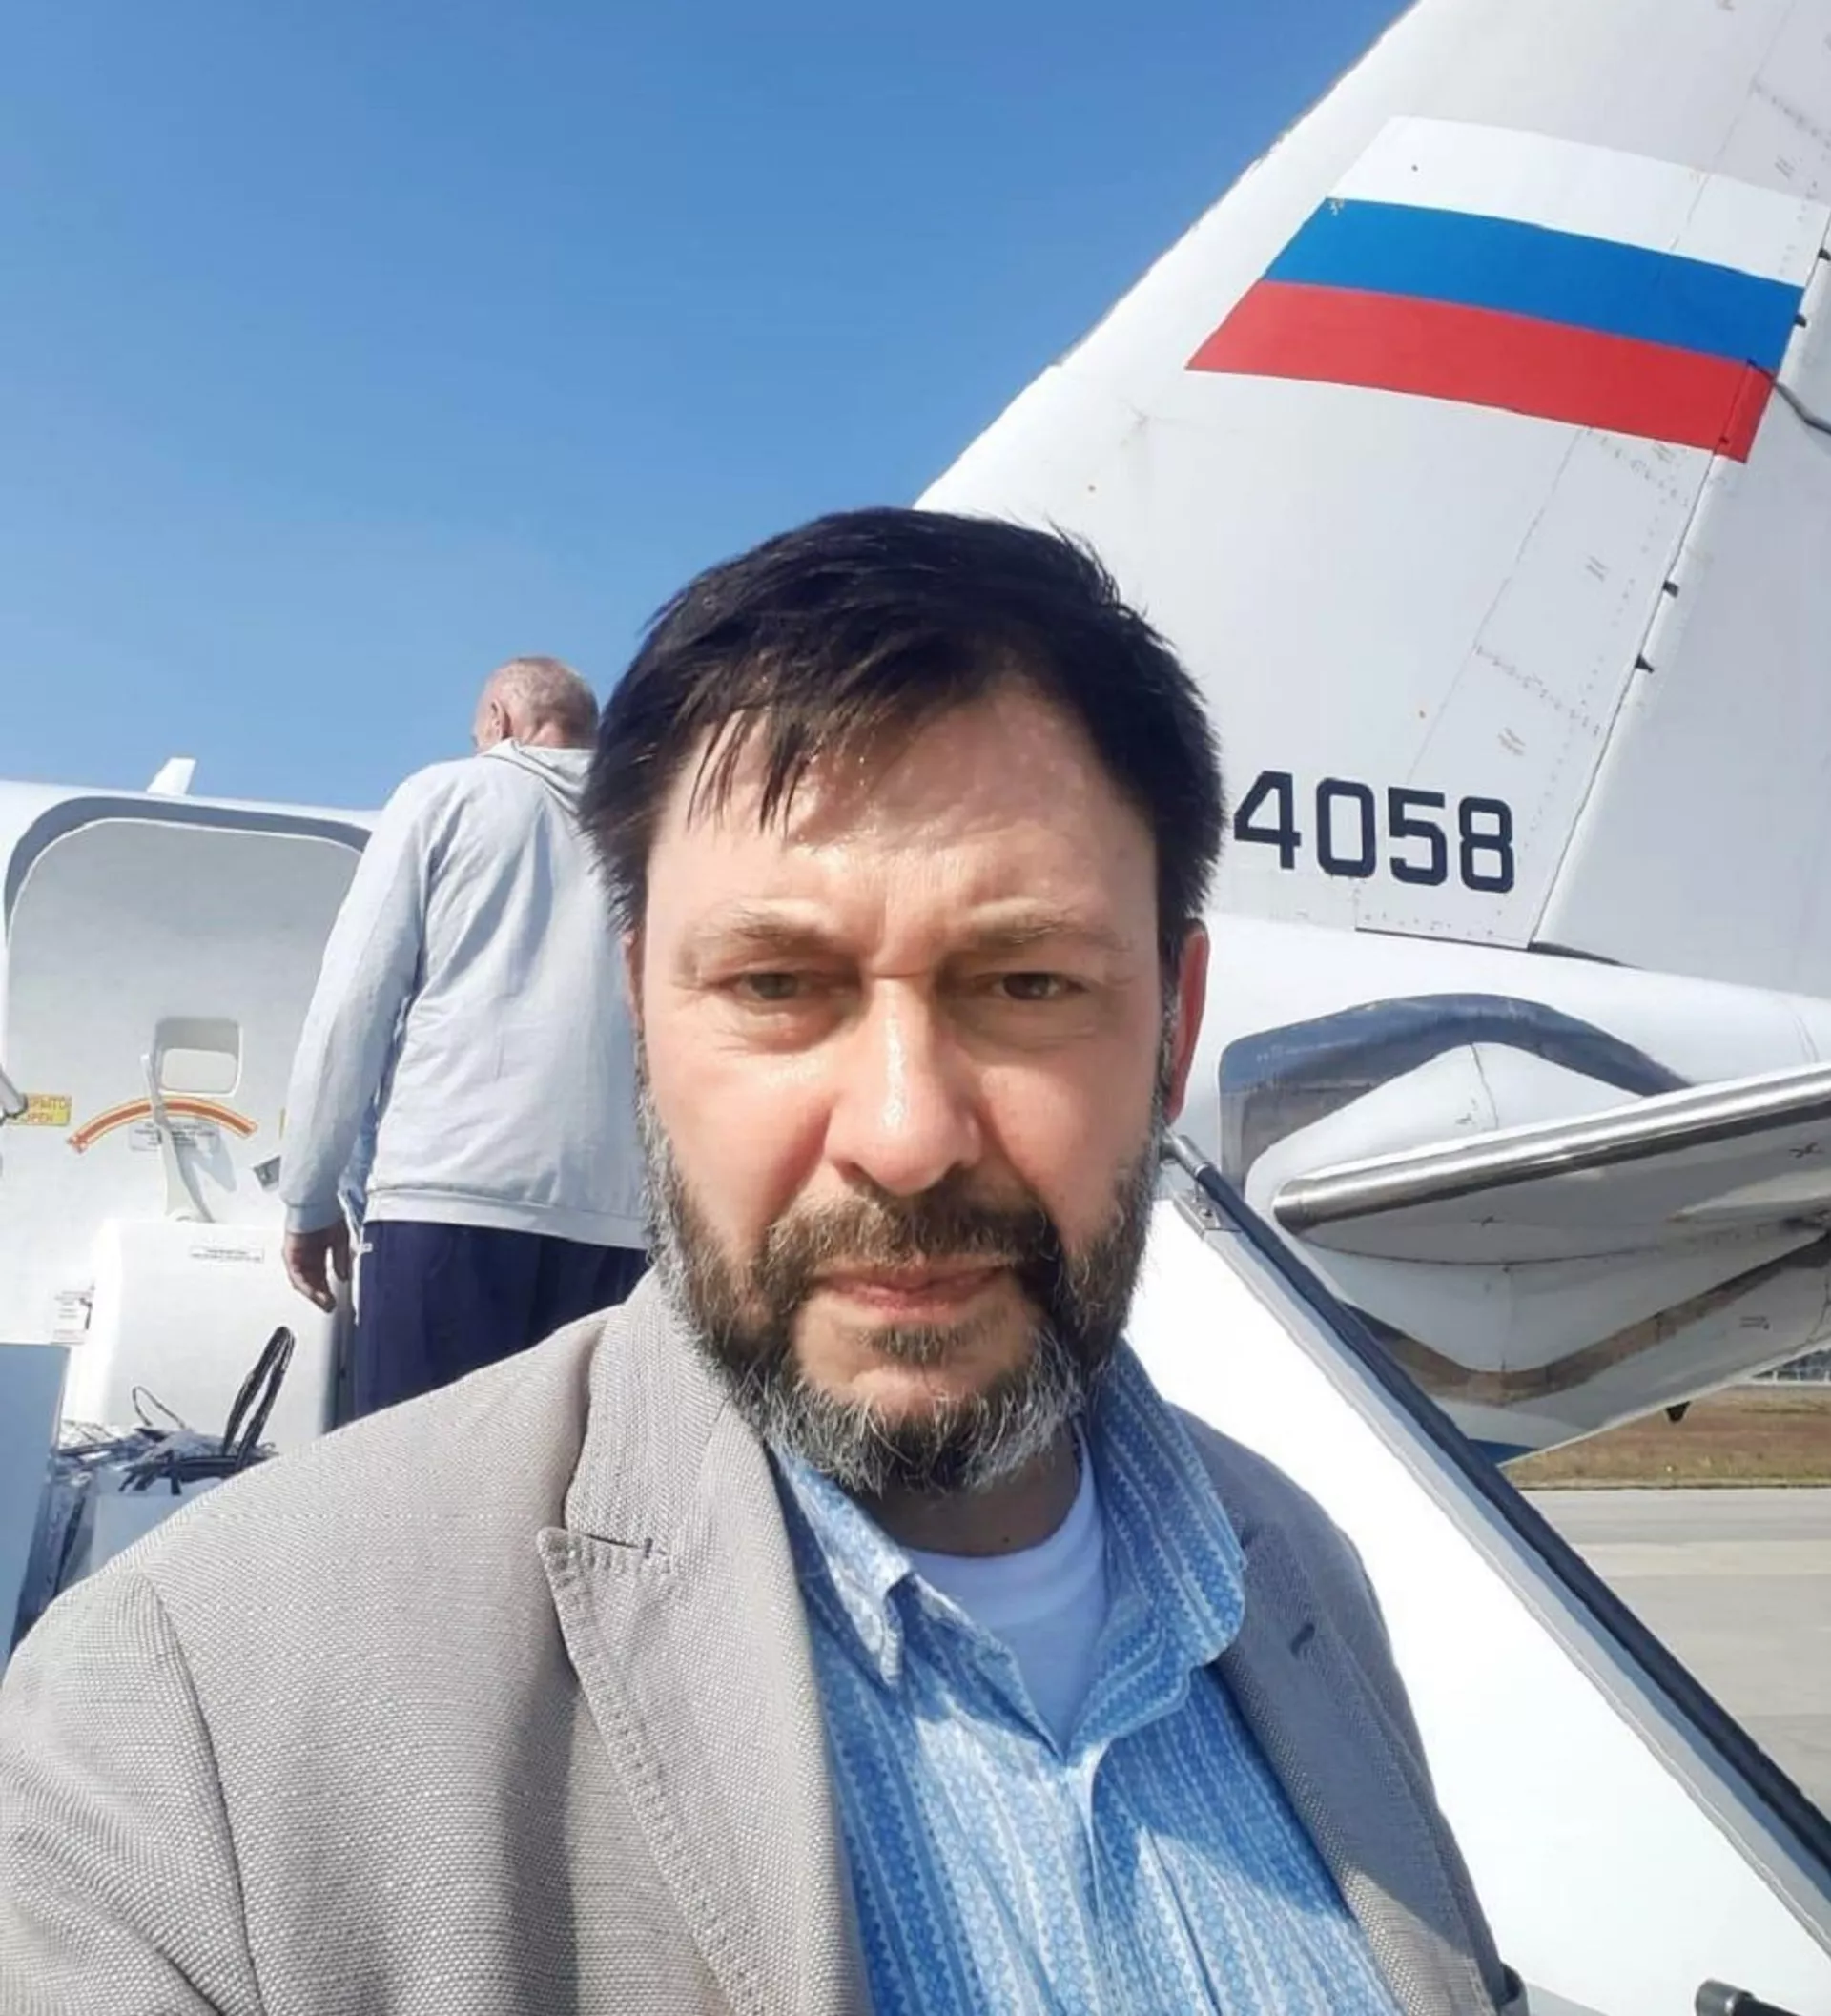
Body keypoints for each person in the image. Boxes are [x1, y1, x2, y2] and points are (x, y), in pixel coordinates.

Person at [0, 514, 1521, 2014]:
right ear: (641, 1020)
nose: (905, 1136)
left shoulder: (1304, 1580)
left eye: (1028, 981)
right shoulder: (186, 1731)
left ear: (1174, 1029)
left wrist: (320, 1182)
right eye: (777, 983)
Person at [278, 654, 646, 1416]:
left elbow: (352, 1002)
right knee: (570, 1481)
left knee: (417, 1477)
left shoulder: (444, 796)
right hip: (616, 1225)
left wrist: (308, 1198)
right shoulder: (650, 832)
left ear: (499, 721)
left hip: (445, 1200)